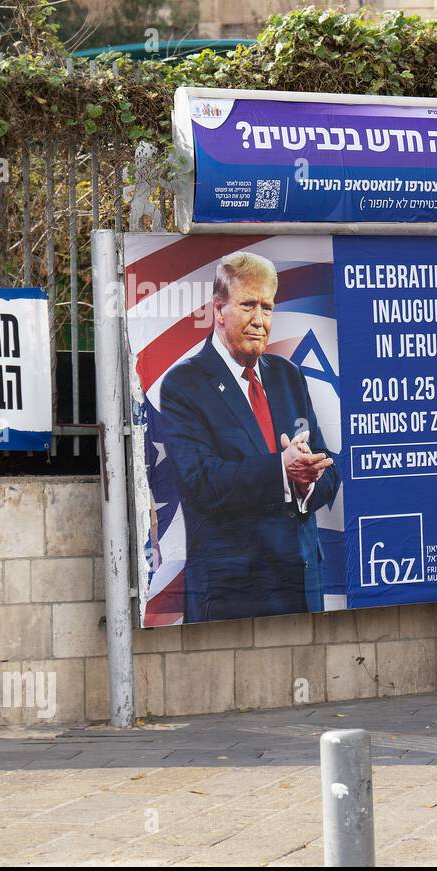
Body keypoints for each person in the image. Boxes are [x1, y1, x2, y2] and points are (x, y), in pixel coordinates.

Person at [160, 251, 340, 623]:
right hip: (233, 598)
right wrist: (282, 471)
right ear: (218, 310)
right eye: (248, 306)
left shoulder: (288, 376)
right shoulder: (184, 385)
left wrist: (308, 479)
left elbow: (326, 464)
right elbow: (201, 483)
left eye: (267, 307)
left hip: (301, 588)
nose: (260, 320)